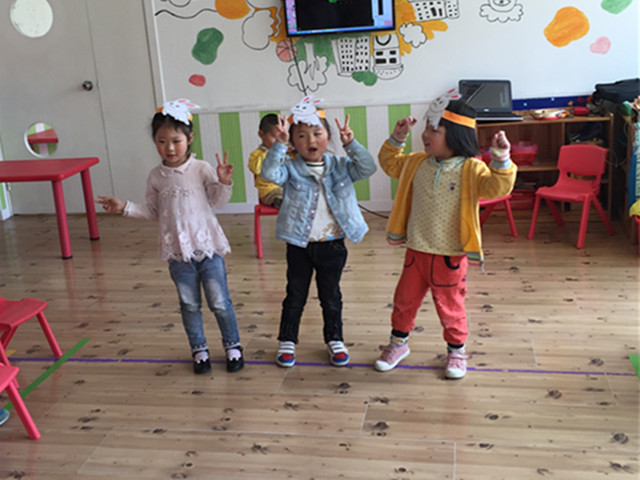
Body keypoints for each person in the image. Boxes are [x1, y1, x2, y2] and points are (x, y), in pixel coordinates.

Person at [97, 99, 244, 375]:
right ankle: (199, 349)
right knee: (189, 304)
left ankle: (232, 345)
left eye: (176, 141)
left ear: (189, 139)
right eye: (162, 141)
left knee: (220, 302)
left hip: (208, 249)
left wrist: (223, 181)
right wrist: (124, 207)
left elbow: (218, 202)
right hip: (178, 254)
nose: (170, 148)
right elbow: (153, 211)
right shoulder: (156, 176)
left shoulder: (201, 168)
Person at [373, 97, 516, 379]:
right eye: (426, 128)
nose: (425, 134)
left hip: (450, 255)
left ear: (456, 136)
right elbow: (389, 163)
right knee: (403, 301)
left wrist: (501, 157)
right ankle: (398, 344)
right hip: (416, 250)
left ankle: (456, 352)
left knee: (451, 307)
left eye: (434, 130)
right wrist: (397, 137)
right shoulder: (416, 163)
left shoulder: (471, 169)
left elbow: (498, 187)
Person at [260, 96, 377, 368]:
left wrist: (351, 144)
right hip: (299, 245)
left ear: (328, 137)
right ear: (293, 142)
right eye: (301, 136)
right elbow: (269, 175)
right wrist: (278, 145)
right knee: (295, 295)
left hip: (332, 244)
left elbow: (367, 167)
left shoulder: (341, 166)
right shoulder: (290, 169)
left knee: (331, 296)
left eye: (317, 133)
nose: (310, 140)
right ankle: (287, 340)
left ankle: (335, 339)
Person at [248, 113, 284, 208]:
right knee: (279, 196)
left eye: (282, 137)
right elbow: (256, 169)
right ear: (261, 134)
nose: (279, 142)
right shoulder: (257, 154)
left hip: (287, 188)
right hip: (269, 191)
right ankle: (281, 202)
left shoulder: (285, 151)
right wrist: (272, 154)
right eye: (274, 138)